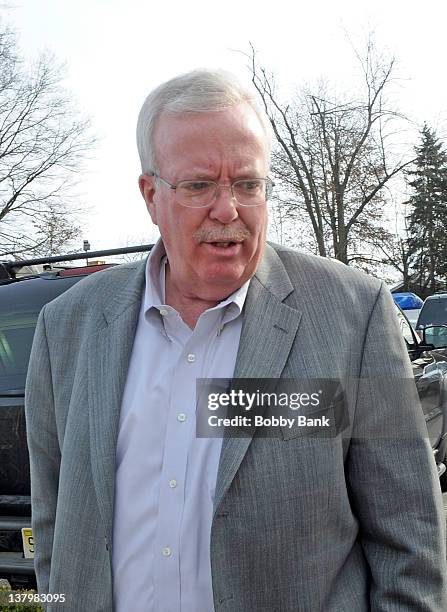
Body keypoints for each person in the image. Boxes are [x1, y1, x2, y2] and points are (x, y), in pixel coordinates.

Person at [25, 69, 447, 611]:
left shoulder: (352, 315)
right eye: (199, 185)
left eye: (247, 184)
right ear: (151, 195)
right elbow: (55, 524)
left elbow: (409, 532)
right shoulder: (67, 327)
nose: (228, 209)